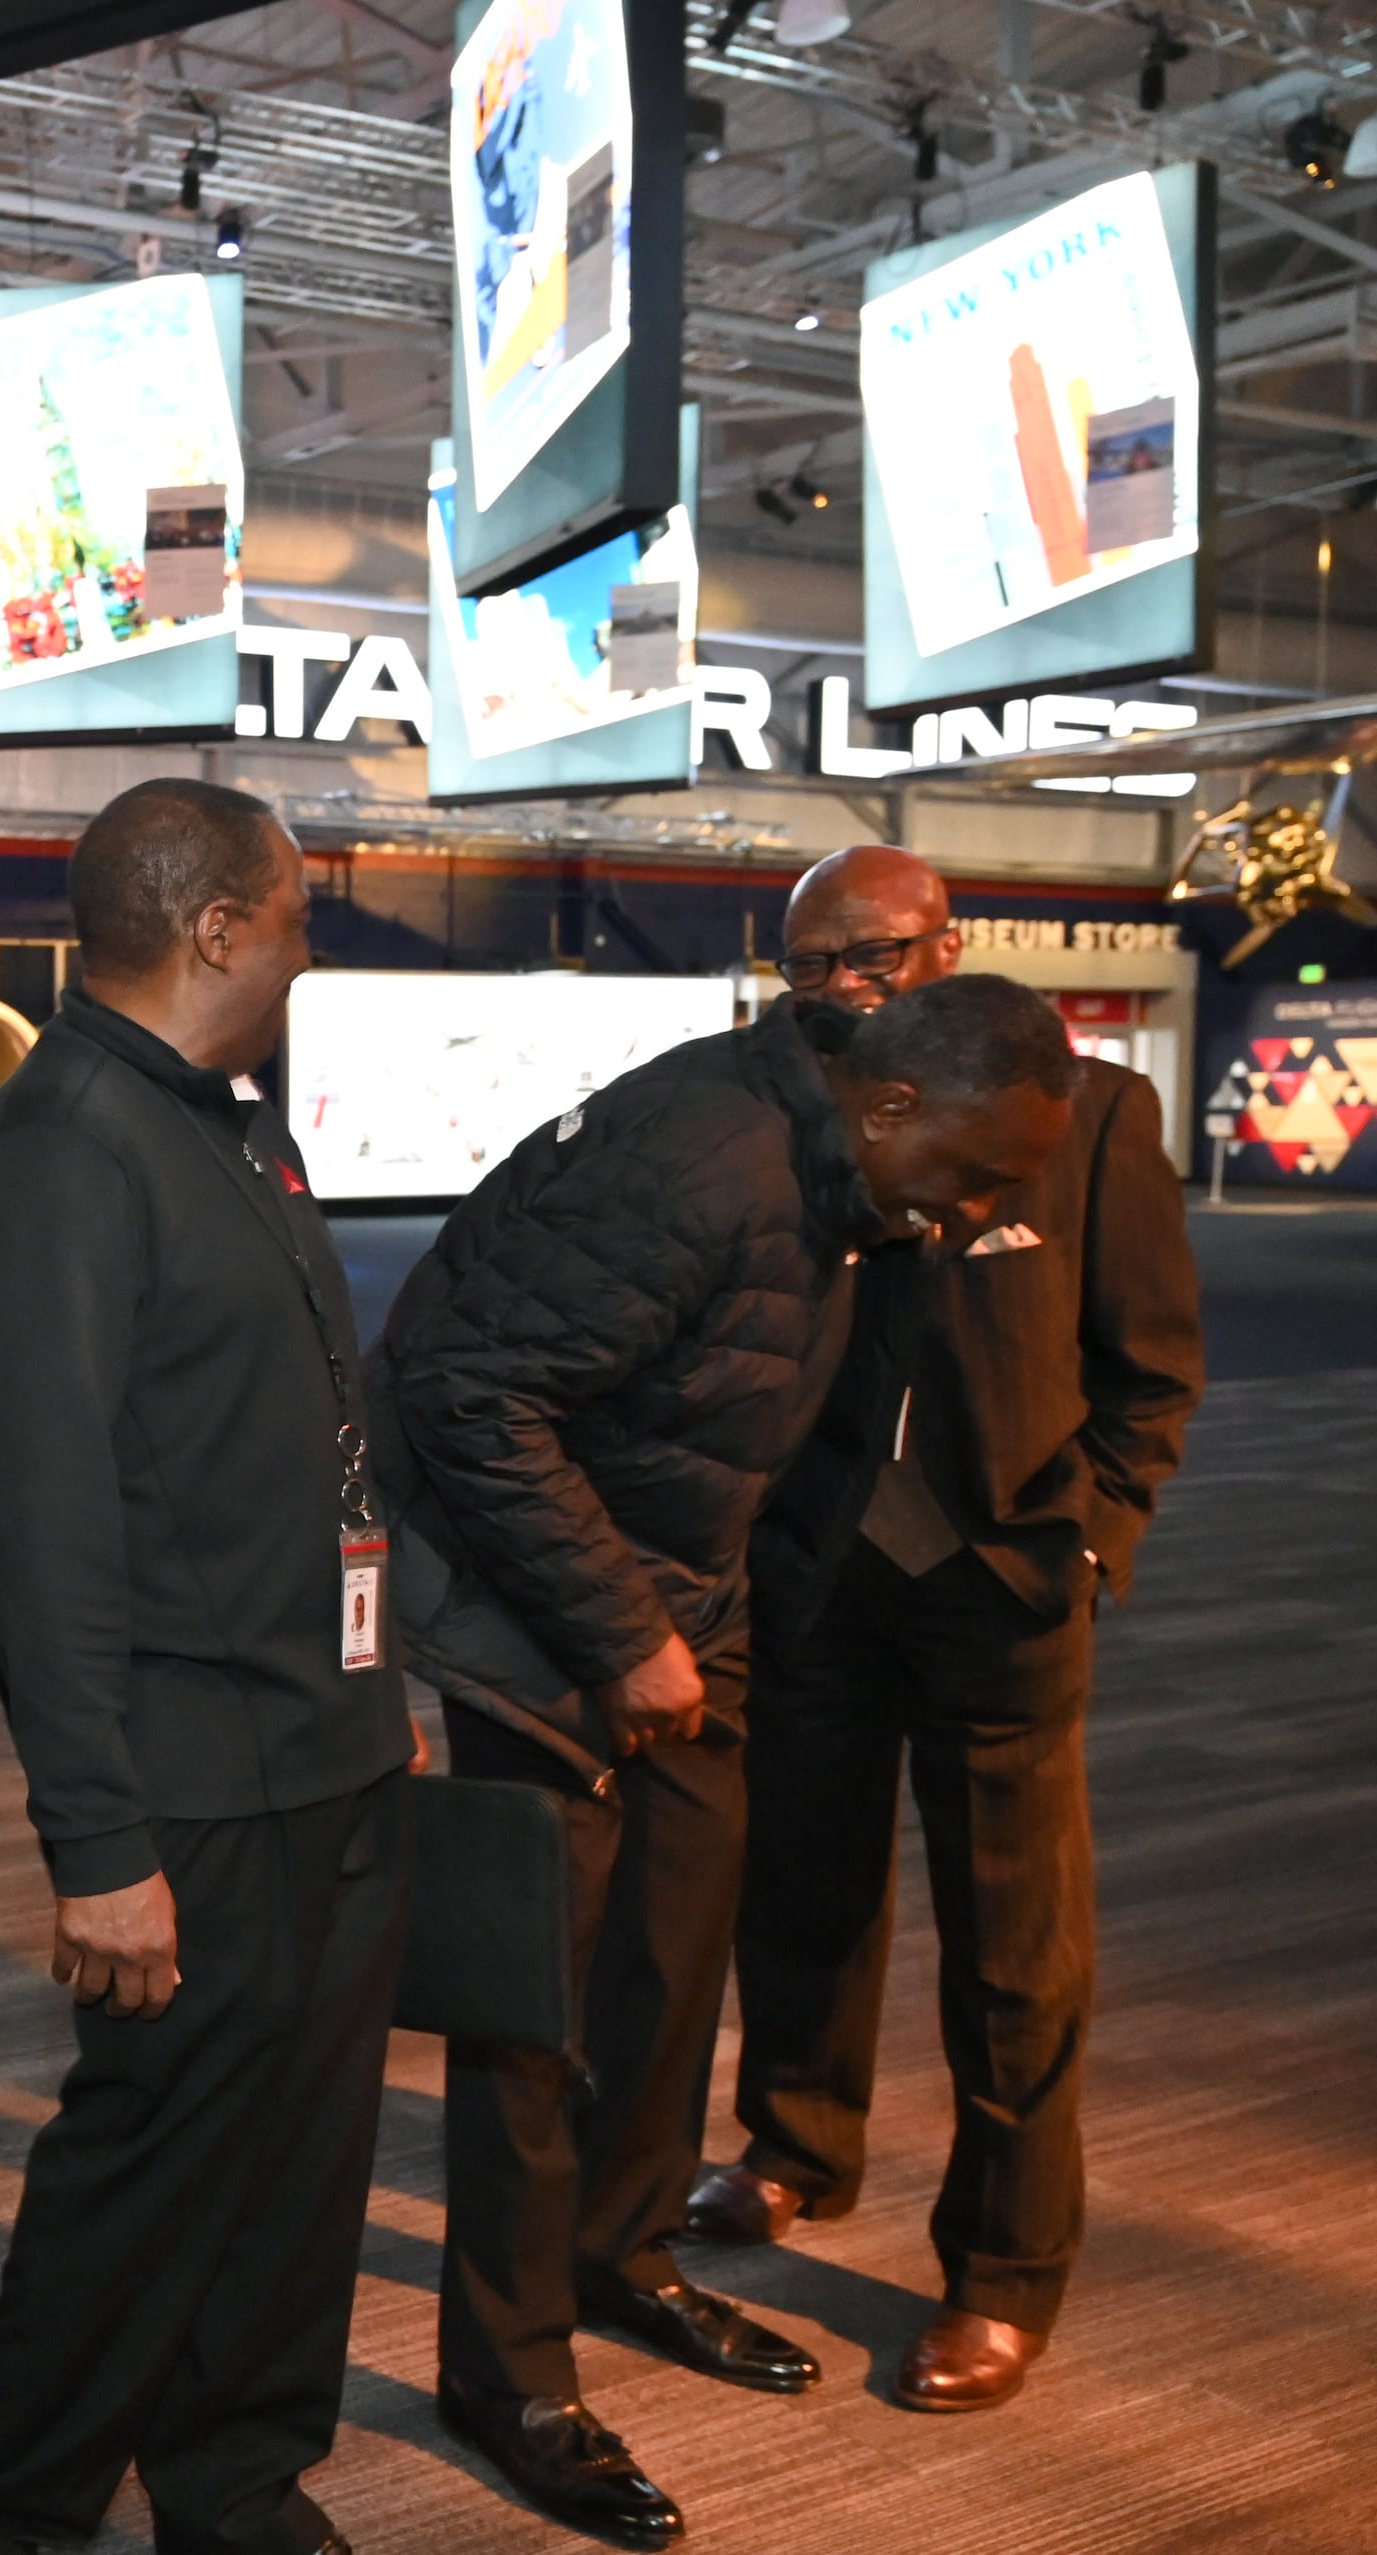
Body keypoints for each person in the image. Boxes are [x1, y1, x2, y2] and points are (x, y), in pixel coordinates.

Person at [376, 970, 1080, 2548]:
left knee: (675, 1950)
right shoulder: (706, 1158)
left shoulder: (849, 1172)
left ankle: (622, 2254)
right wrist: (620, 1632)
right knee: (529, 2008)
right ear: (890, 1103)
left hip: (687, 1593)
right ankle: (506, 2373)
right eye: (971, 1174)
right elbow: (467, 1386)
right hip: (528, 1598)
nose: (976, 1214)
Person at [0, 781, 413, 2555]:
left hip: (324, 1747)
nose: (305, 937)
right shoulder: (69, 1143)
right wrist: (100, 1844)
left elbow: (302, 1442)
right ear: (214, 929)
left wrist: (376, 1694)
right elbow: (43, 1529)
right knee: (145, 2187)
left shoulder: (227, 1120)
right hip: (192, 1788)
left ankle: (237, 2485)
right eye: (291, 911)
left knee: (299, 2171)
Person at [688, 847, 1201, 2413]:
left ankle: (1002, 2268)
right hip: (821, 1579)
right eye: (818, 963)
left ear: (946, 943)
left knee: (1015, 1949)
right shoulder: (797, 1117)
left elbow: (1153, 1365)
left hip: (1005, 1591)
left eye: (876, 954)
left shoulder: (1091, 1115)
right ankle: (794, 2144)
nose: (850, 986)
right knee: (801, 1891)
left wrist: (1091, 1539)